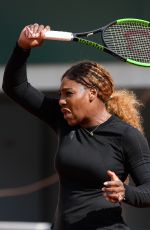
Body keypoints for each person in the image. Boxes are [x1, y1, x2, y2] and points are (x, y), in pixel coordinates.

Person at [2, 23, 150, 230]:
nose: (61, 100)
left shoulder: (127, 135)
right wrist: (22, 47)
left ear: (92, 93)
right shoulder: (64, 121)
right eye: (60, 94)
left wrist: (125, 192)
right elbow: (15, 87)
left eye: (68, 93)